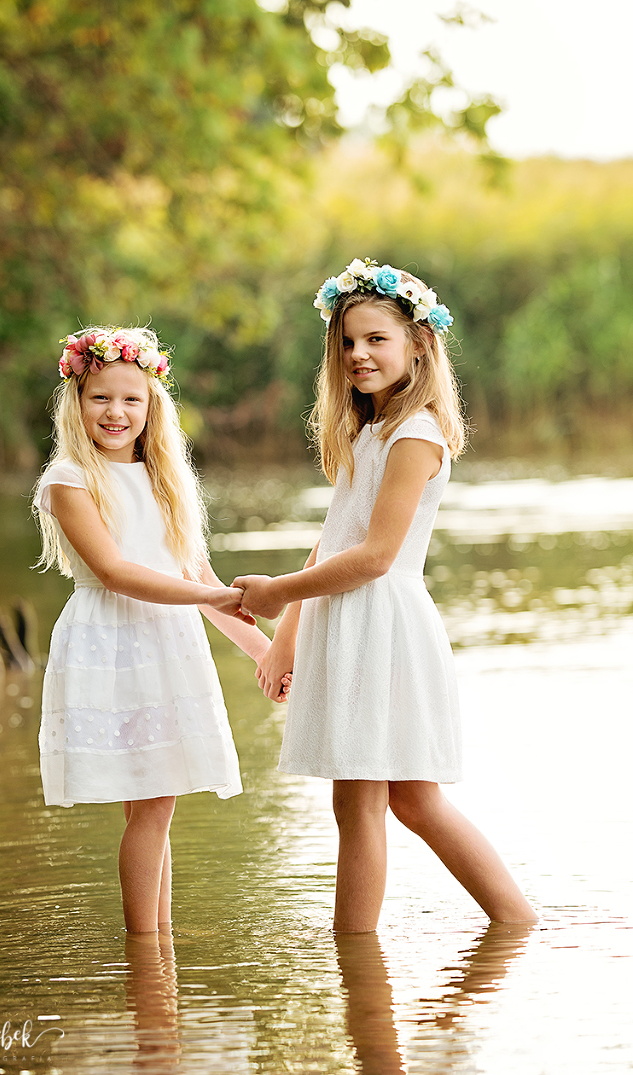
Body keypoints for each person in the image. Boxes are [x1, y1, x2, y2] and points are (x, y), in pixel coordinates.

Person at [234, 258, 537, 931]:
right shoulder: (367, 430)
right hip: (349, 619)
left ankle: (366, 963)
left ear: (418, 345)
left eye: (376, 339)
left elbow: (374, 556)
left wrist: (278, 592)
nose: (358, 355)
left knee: (380, 802)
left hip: (383, 621)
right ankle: (512, 923)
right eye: (346, 343)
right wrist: (285, 636)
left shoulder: (417, 433)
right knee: (396, 801)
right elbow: (334, 536)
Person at [33, 325, 277, 934]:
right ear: (76, 402)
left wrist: (268, 655)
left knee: (155, 804)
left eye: (130, 399)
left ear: (152, 404)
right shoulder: (68, 480)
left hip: (168, 641)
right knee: (153, 805)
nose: (116, 412)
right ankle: (146, 952)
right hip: (113, 641)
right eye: (100, 399)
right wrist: (209, 594)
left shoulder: (167, 480)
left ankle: (155, 966)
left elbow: (198, 574)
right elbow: (117, 573)